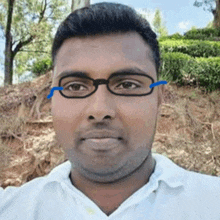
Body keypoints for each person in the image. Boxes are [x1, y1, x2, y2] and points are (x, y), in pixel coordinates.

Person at [0, 2, 220, 219]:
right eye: (75, 86)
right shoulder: (11, 210)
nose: (100, 110)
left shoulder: (212, 203)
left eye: (127, 85)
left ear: (159, 99)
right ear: (52, 99)